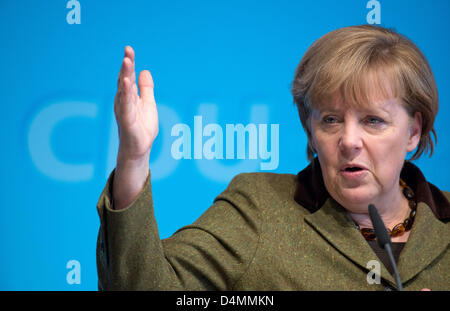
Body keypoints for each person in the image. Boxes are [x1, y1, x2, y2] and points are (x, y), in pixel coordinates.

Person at [96, 24, 449, 291]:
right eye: (331, 120)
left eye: (373, 120)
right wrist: (134, 158)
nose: (349, 141)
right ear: (310, 130)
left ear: (413, 131)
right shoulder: (260, 208)